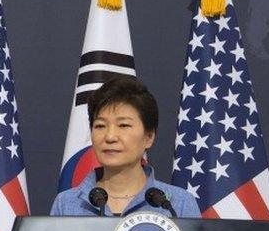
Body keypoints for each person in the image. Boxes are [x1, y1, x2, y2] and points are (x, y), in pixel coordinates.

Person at [50, 76, 200, 218]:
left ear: (149, 137)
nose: (110, 137)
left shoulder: (177, 204)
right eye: (100, 126)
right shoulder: (66, 204)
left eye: (123, 125)